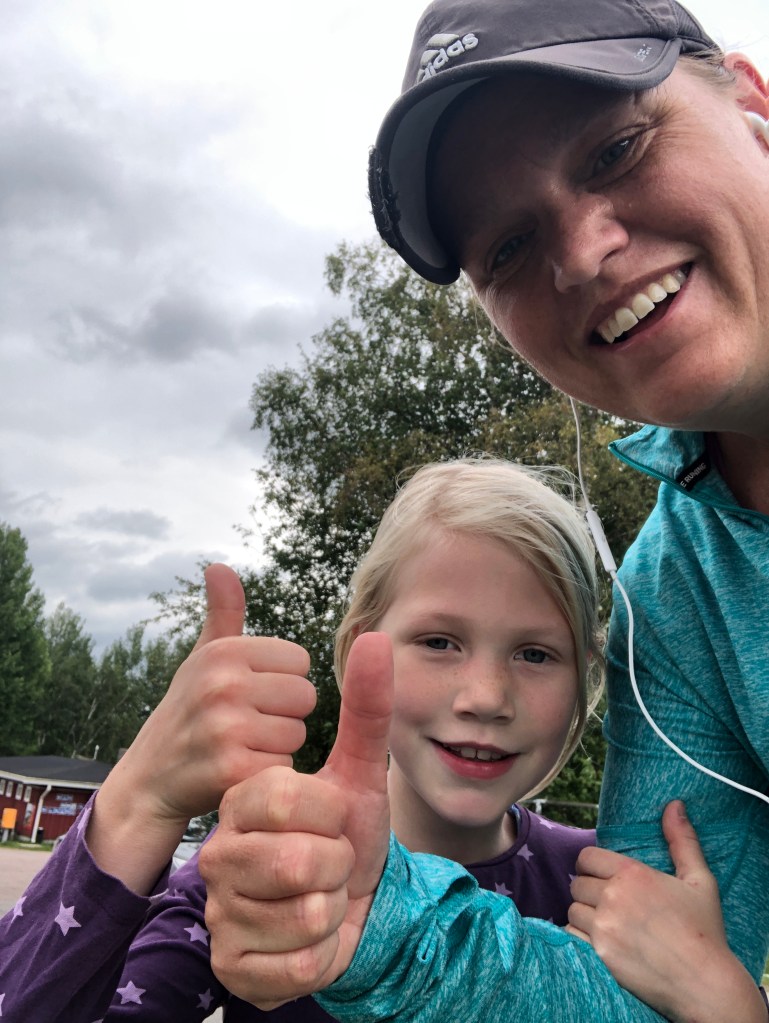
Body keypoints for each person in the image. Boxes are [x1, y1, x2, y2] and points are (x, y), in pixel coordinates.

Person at [197, 1, 769, 1021]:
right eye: (507, 247)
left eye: (617, 149)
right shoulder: (675, 596)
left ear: (754, 107)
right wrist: (375, 922)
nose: (581, 253)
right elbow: (649, 986)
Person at [0, 457, 608, 1020]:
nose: (487, 697)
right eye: (439, 642)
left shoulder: (601, 884)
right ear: (359, 648)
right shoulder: (265, 863)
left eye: (535, 653)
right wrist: (141, 800)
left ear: (584, 677)